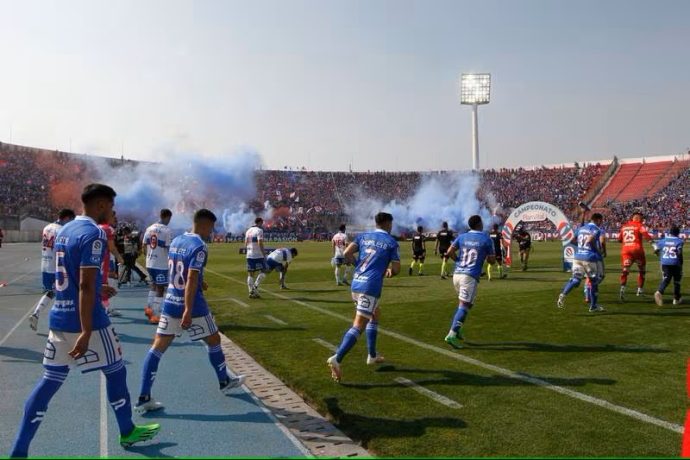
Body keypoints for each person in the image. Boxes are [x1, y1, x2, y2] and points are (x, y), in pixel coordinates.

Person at [10, 184, 160, 458]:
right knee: (116, 370)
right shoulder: (94, 233)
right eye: (112, 207)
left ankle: (19, 450)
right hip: (87, 319)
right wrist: (87, 329)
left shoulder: (64, 230)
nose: (113, 212)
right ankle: (127, 430)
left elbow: (71, 275)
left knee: (48, 382)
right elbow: (85, 286)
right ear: (101, 205)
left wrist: (96, 288)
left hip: (58, 318)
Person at [135, 209, 246, 413]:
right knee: (214, 340)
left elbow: (180, 271)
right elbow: (191, 279)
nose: (212, 232)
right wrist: (188, 309)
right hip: (192, 305)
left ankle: (144, 395)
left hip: (170, 301)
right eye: (211, 227)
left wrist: (198, 281)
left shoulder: (177, 240)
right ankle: (223, 380)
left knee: (157, 348)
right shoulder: (199, 246)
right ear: (204, 225)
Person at [327, 212, 400, 382]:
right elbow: (396, 269)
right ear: (388, 223)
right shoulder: (391, 242)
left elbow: (346, 254)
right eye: (391, 223)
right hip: (370, 286)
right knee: (359, 324)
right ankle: (337, 358)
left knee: (375, 314)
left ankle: (372, 355)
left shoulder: (363, 236)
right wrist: (389, 271)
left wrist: (358, 265)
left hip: (357, 282)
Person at [443, 215, 496, 349]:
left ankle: (458, 329)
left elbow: (449, 252)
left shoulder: (462, 236)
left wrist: (458, 262)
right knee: (464, 306)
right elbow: (492, 261)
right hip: (469, 276)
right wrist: (486, 257)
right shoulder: (485, 238)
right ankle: (452, 334)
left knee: (468, 304)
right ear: (479, 224)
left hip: (457, 275)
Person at [29, 209, 76, 331]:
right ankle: (61, 321)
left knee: (50, 292)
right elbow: (63, 249)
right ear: (66, 218)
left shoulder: (47, 227)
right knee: (63, 293)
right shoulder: (62, 230)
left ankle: (36, 313)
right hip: (56, 266)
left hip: (45, 263)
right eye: (70, 220)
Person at [557, 213, 607, 312]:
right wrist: (598, 250)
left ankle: (562, 295)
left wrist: (580, 246)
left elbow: (571, 240)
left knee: (576, 279)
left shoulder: (581, 228)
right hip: (589, 258)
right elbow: (590, 240)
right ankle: (593, 306)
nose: (601, 223)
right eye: (601, 221)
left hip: (577, 257)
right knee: (594, 283)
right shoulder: (596, 229)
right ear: (598, 220)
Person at [143, 209, 173, 324]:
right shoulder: (166, 230)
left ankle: (149, 308)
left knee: (153, 285)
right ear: (167, 217)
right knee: (160, 288)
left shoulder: (149, 228)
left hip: (150, 262)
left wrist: (149, 256)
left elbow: (143, 245)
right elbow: (169, 248)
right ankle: (155, 314)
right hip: (161, 264)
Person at [618, 211, 653, 300]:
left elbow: (619, 239)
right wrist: (653, 244)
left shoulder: (624, 226)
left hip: (626, 251)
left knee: (625, 271)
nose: (642, 220)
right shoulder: (639, 225)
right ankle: (640, 290)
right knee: (642, 271)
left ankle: (622, 289)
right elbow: (646, 235)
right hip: (637, 251)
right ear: (637, 218)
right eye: (641, 218)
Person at [100, 210, 125, 317]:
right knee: (111, 285)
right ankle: (105, 308)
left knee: (104, 284)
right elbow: (112, 247)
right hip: (106, 260)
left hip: (98, 260)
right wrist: (119, 257)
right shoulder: (108, 228)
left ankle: (105, 307)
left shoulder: (97, 226)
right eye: (113, 217)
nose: (115, 219)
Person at [653, 225, 684, 306]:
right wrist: (681, 263)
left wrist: (659, 256)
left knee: (667, 278)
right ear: (678, 233)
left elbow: (656, 249)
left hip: (665, 262)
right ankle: (676, 300)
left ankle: (659, 292)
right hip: (675, 262)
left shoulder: (663, 240)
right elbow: (680, 253)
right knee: (677, 281)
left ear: (670, 232)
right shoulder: (679, 241)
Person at [245, 217, 266, 298]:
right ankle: (255, 287)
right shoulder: (259, 230)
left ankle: (250, 291)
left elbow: (245, 243)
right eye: (262, 223)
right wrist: (264, 254)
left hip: (249, 254)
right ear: (260, 222)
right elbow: (260, 242)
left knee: (250, 273)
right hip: (258, 255)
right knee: (264, 271)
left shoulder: (248, 231)